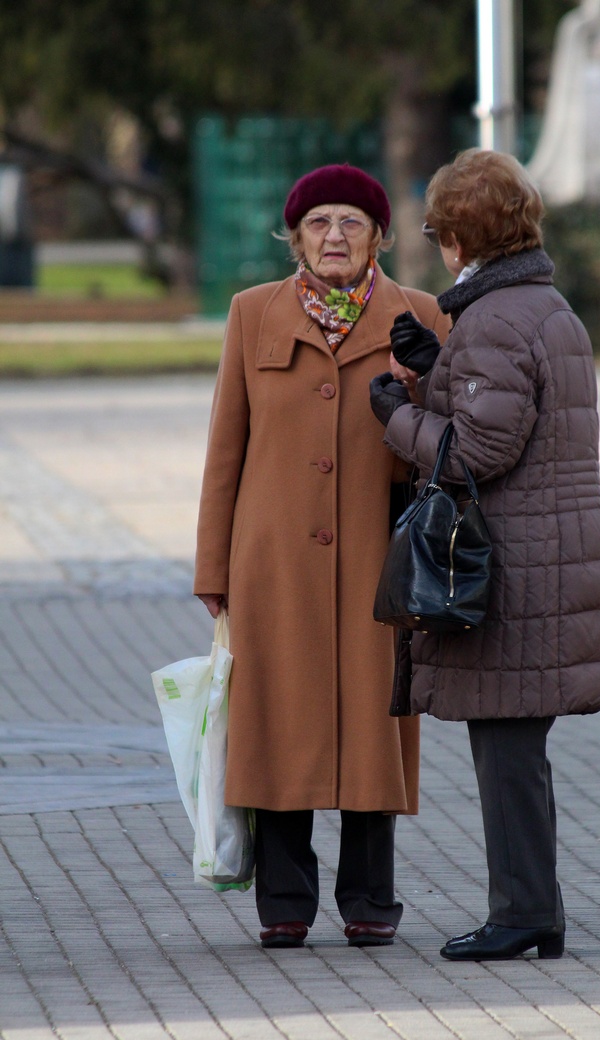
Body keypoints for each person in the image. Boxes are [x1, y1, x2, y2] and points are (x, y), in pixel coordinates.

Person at [369, 149, 600, 961]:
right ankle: (532, 911)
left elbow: (480, 448)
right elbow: (512, 406)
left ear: (458, 240)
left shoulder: (496, 317)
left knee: (506, 750)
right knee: (515, 751)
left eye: (442, 231)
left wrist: (395, 418)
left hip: (518, 568)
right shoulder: (540, 306)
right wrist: (436, 367)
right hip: (553, 558)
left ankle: (521, 916)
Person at [194, 163, 450, 950]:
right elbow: (226, 448)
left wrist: (428, 378)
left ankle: (371, 899)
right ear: (294, 236)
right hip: (272, 563)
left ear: (378, 235)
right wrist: (213, 567)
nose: (333, 237)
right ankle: (285, 902)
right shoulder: (251, 314)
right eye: (317, 223)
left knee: (377, 726)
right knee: (277, 728)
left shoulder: (423, 314)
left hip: (382, 557)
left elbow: (447, 445)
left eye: (350, 223)